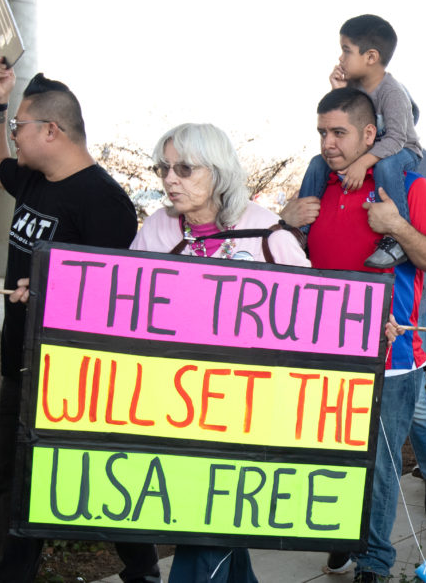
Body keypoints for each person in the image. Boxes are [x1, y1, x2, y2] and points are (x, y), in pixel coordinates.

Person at [0, 60, 160, 583]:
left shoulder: (106, 203)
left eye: (20, 128)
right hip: (23, 367)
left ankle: (142, 571)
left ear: (50, 131)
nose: (13, 137)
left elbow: (119, 299)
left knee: (98, 477)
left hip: (77, 378)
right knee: (13, 481)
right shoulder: (35, 179)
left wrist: (54, 291)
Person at [129, 122, 310, 583]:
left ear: (219, 172)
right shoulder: (156, 229)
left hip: (248, 410)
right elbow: (122, 302)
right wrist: (50, 289)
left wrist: (370, 326)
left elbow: (317, 310)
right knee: (211, 519)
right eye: (163, 167)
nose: (170, 179)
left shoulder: (267, 233)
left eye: (185, 168)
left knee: (207, 520)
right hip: (174, 406)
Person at [303, 87, 426, 583]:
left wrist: (396, 227)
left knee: (381, 465)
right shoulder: (314, 194)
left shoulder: (409, 188)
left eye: (339, 132)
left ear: (370, 134)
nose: (328, 142)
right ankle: (345, 539)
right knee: (330, 458)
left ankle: (376, 561)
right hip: (324, 354)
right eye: (322, 132)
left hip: (394, 355)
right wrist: (283, 226)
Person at [297, 14, 423, 269]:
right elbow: (345, 119)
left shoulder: (392, 92)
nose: (341, 59)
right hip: (376, 148)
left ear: (371, 57)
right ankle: (301, 230)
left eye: (346, 51)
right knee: (316, 163)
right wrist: (339, 90)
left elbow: (398, 138)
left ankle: (395, 238)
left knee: (387, 166)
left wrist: (363, 162)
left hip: (403, 150)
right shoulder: (354, 85)